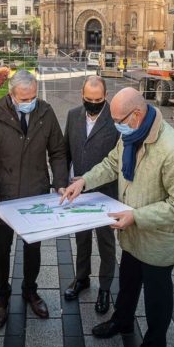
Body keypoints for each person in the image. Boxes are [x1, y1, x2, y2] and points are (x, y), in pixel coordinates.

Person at [61, 88, 174, 347]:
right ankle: (122, 321)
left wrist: (136, 216)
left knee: (157, 297)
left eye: (118, 121)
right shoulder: (132, 135)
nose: (115, 126)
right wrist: (84, 181)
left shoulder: (172, 149)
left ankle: (154, 345)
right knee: (129, 281)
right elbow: (112, 164)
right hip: (132, 232)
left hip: (157, 238)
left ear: (136, 115)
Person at [0, 70, 68, 327]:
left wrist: (60, 182)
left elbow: (58, 151)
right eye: (24, 98)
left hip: (35, 194)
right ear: (11, 95)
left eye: (33, 97)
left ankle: (30, 290)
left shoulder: (45, 113)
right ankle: (2, 297)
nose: (30, 102)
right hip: (2, 197)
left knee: (33, 248)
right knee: (2, 251)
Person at [62, 75, 119, 314]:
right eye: (88, 99)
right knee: (81, 238)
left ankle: (105, 287)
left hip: (106, 193)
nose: (93, 103)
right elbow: (65, 150)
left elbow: (118, 161)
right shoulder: (73, 115)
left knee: (106, 243)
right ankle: (81, 278)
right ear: (82, 96)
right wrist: (61, 182)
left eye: (98, 99)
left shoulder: (115, 119)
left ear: (105, 96)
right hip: (77, 190)